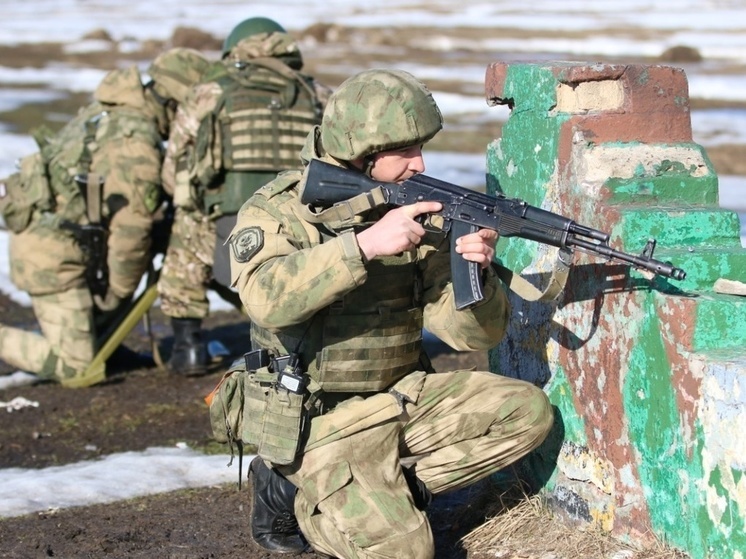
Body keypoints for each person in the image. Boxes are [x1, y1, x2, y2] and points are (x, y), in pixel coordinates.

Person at [228, 69, 555, 557]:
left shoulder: (420, 213)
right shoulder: (279, 211)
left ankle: (385, 494)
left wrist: (477, 274)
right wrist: (361, 248)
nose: (420, 163)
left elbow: (469, 337)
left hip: (400, 399)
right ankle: (291, 492)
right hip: (315, 421)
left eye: (421, 147)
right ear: (361, 151)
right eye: (405, 151)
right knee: (406, 551)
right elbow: (264, 300)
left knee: (527, 412)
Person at [0, 48, 210, 388]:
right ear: (176, 103)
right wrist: (117, 291)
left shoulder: (109, 112)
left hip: (61, 243)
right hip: (51, 257)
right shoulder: (135, 140)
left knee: (128, 261)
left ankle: (101, 338)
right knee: (77, 369)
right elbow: (131, 228)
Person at [157, 16, 331, 377]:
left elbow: (175, 166)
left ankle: (189, 346)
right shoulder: (318, 94)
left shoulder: (211, 89)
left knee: (187, 223)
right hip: (305, 230)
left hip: (229, 230)